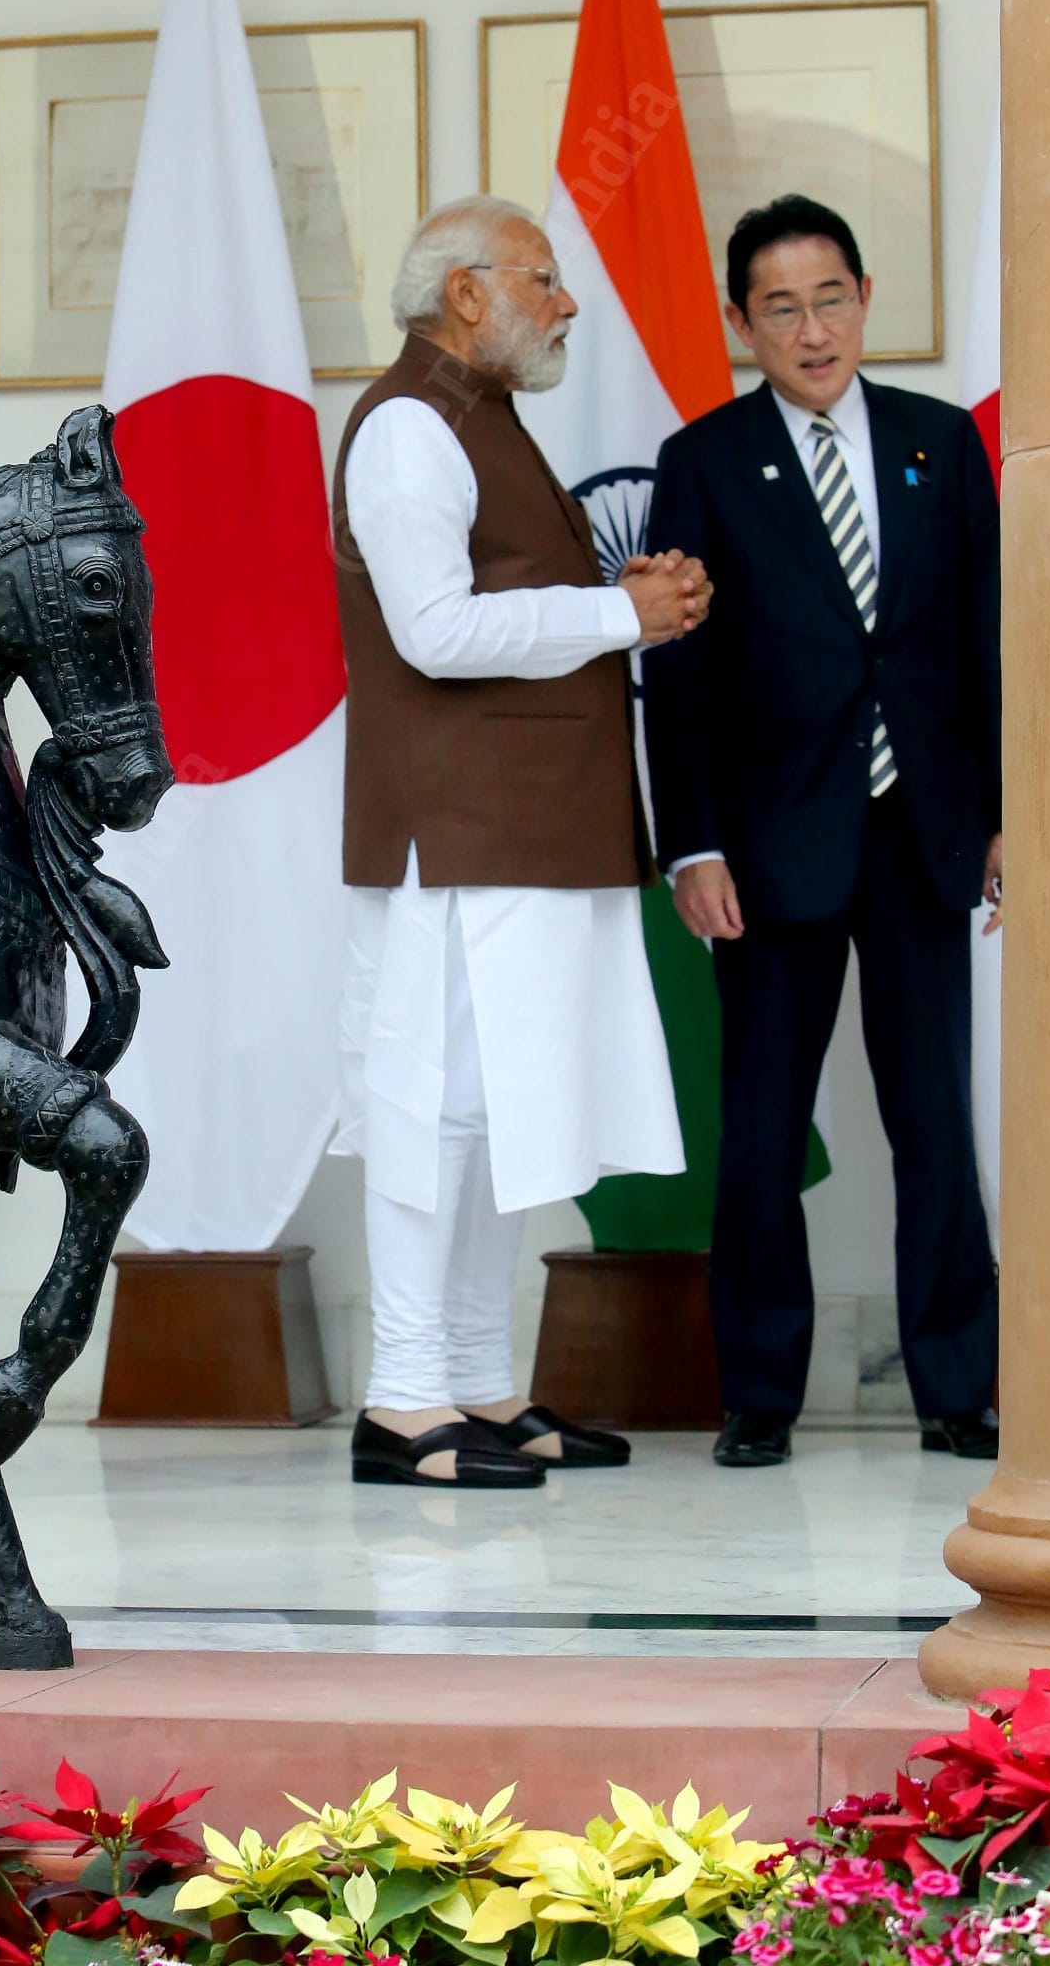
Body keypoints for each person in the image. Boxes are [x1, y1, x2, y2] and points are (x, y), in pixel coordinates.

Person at [331, 196, 711, 1487]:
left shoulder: (476, 418)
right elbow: (432, 632)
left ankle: (477, 1389)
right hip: (457, 834)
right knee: (429, 1112)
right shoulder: (404, 428)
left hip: (521, 831)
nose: (563, 303)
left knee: (498, 1117)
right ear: (464, 295)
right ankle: (398, 1404)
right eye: (540, 280)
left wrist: (622, 611)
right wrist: (614, 610)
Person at [642, 194, 1002, 1469]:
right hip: (769, 842)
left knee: (937, 1123)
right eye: (781, 307)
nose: (812, 328)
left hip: (920, 835)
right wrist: (690, 845)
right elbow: (676, 677)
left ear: (865, 297)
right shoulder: (703, 458)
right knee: (759, 1128)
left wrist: (1000, 817)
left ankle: (960, 1387)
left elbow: (983, 641)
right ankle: (760, 1396)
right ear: (744, 322)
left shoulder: (942, 444)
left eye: (831, 297)